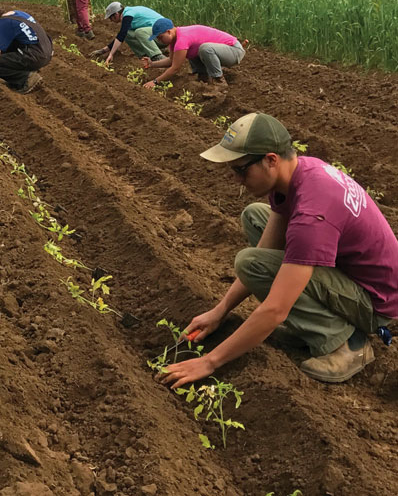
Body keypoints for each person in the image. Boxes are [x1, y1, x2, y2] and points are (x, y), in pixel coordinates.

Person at [161, 113, 398, 387]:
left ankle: (345, 340)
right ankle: (314, 322)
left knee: (252, 264)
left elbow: (275, 310)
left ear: (271, 160)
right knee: (255, 217)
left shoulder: (312, 215)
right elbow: (268, 245)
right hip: (356, 275)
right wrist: (219, 311)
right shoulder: (299, 172)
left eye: (240, 170)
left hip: (376, 303)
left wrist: (209, 361)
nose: (235, 179)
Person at [140, 18, 245, 90]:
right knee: (193, 51)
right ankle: (204, 78)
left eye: (160, 37)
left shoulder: (182, 39)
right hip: (225, 51)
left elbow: (175, 68)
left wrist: (155, 82)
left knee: (205, 48)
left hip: (234, 50)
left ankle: (219, 82)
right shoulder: (175, 41)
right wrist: (152, 64)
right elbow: (171, 61)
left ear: (169, 32)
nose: (160, 41)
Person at [89, 2, 164, 65]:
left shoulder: (128, 14)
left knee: (139, 32)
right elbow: (122, 35)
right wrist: (103, 50)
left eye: (110, 18)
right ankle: (145, 55)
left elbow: (121, 35)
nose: (111, 21)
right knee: (128, 33)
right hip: (156, 35)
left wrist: (111, 54)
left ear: (116, 14)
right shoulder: (128, 13)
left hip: (164, 33)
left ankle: (157, 56)